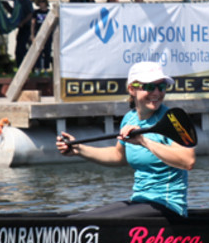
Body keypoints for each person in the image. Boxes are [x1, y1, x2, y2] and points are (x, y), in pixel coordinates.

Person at [55, 62, 196, 217]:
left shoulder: (174, 120)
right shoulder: (129, 119)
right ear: (131, 89)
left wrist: (144, 141)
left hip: (168, 206)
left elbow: (187, 161)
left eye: (161, 86)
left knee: (92, 222)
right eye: (149, 87)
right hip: (139, 200)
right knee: (76, 219)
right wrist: (79, 150)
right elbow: (118, 156)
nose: (157, 92)